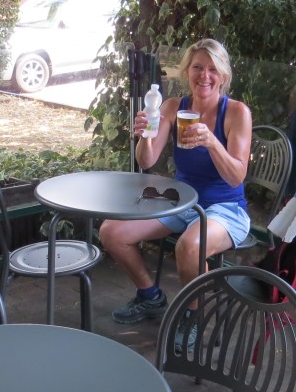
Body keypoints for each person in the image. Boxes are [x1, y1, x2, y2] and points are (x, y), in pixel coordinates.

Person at [100, 38, 253, 324]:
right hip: (181, 201)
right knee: (111, 231)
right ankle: (150, 296)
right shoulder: (173, 107)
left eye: (212, 69)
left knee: (189, 247)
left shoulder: (236, 112)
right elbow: (146, 161)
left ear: (223, 76)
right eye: (197, 67)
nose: (204, 76)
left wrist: (212, 142)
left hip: (226, 209)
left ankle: (193, 317)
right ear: (186, 72)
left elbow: (236, 177)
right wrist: (146, 134)